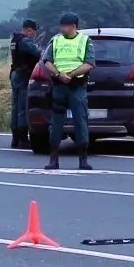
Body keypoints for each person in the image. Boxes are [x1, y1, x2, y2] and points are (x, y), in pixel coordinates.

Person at [40, 12, 96, 170]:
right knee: (56, 124)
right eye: (61, 26)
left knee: (81, 122)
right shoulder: (56, 40)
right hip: (59, 86)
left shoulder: (85, 40)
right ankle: (53, 160)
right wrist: (58, 74)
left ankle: (83, 160)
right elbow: (47, 61)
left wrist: (71, 75)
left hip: (77, 86)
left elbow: (89, 64)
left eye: (64, 26)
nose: (61, 28)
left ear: (73, 26)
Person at [9, 19, 42, 149]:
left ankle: (15, 139)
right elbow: (38, 53)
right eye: (34, 32)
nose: (34, 35)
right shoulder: (25, 41)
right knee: (23, 107)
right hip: (23, 75)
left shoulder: (15, 39)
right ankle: (23, 138)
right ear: (29, 30)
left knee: (15, 107)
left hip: (15, 73)